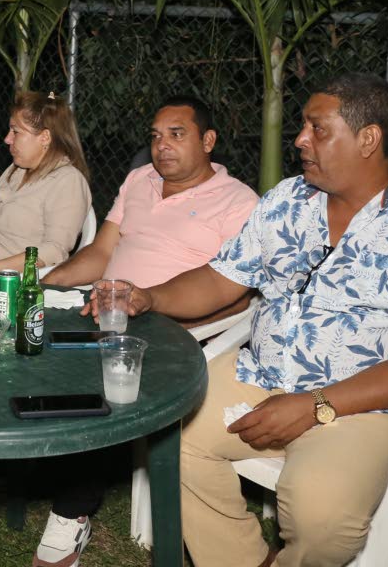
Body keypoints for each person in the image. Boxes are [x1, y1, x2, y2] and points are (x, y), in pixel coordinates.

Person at [116, 73, 388, 567]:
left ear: (368, 139)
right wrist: (149, 296)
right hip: (258, 375)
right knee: (168, 434)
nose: (300, 139)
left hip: (359, 405)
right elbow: (222, 279)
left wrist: (315, 405)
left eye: (317, 128)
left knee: (321, 520)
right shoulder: (289, 200)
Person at [26, 96, 259, 567]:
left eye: (177, 134)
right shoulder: (138, 181)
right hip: (105, 309)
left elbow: (238, 292)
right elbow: (102, 251)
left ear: (208, 141)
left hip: (180, 328)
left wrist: (159, 310)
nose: (162, 146)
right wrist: (47, 282)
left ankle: (72, 511)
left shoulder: (240, 202)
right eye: (155, 136)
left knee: (91, 388)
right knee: (24, 339)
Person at [0, 92, 91, 273]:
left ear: (45, 137)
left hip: (9, 278)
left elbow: (54, 250)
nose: (7, 139)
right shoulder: (17, 169)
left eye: (15, 131)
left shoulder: (67, 181)